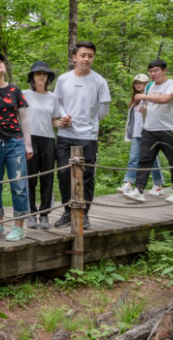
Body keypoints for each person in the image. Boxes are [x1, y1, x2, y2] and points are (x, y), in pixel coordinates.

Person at [54, 41, 111, 229]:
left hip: (87, 136)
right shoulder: (63, 79)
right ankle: (67, 211)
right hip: (65, 134)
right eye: (83, 55)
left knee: (87, 175)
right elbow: (57, 103)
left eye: (90, 56)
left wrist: (90, 122)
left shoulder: (99, 81)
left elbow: (103, 110)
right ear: (74, 57)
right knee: (63, 173)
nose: (86, 59)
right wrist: (63, 116)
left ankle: (84, 214)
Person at [0, 53, 32, 242]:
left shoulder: (15, 90)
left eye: (0, 62)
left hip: (15, 142)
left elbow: (24, 118)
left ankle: (19, 227)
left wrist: (28, 145)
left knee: (18, 185)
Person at [124, 60, 173, 203]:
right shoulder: (150, 86)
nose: (153, 74)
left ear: (164, 71)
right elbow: (146, 107)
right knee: (144, 160)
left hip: (169, 130)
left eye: (156, 70)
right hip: (149, 130)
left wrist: (143, 96)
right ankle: (138, 190)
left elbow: (165, 99)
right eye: (150, 71)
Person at [23, 61, 64, 229]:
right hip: (29, 139)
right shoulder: (24, 94)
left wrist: (63, 122)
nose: (41, 76)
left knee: (47, 179)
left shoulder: (53, 97)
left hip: (48, 139)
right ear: (32, 77)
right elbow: (20, 118)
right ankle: (31, 214)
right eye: (38, 73)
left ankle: (45, 215)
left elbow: (54, 120)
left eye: (44, 74)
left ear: (48, 78)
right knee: (30, 179)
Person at [118, 74, 165, 196]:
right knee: (133, 157)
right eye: (136, 83)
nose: (138, 85)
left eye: (141, 82)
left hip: (150, 133)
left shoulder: (151, 98)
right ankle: (129, 183)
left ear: (147, 84)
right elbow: (132, 119)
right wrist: (129, 133)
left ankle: (157, 185)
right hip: (136, 133)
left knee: (153, 159)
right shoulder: (134, 100)